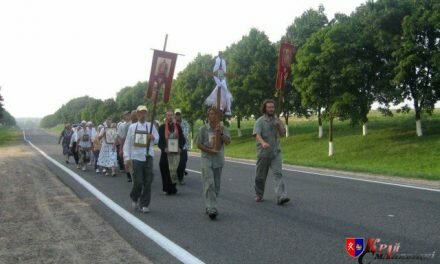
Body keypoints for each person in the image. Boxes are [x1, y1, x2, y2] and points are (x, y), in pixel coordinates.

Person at [253, 99, 290, 205]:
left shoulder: (278, 120)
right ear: (265, 108)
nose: (271, 109)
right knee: (260, 177)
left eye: (272, 107)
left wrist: (278, 125)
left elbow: (283, 134)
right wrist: (263, 143)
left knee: (278, 174)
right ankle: (259, 194)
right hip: (263, 153)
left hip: (275, 153)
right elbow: (257, 135)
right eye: (269, 107)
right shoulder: (260, 121)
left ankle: (281, 196)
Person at [123, 105, 159, 213]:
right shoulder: (132, 127)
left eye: (144, 113)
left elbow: (157, 139)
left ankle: (144, 204)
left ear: (146, 114)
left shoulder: (151, 126)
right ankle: (134, 197)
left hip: (148, 156)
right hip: (136, 157)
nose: (142, 115)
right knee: (138, 181)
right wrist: (127, 158)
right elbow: (127, 144)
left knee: (148, 181)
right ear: (137, 114)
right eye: (140, 113)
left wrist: (152, 137)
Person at [196, 108, 231, 220]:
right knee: (209, 182)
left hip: (218, 159)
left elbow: (228, 142)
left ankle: (209, 204)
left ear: (218, 116)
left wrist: (220, 133)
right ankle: (213, 208)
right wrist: (209, 150)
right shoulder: (203, 129)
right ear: (208, 116)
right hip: (206, 158)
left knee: (216, 185)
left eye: (215, 114)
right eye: (210, 114)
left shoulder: (222, 128)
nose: (213, 116)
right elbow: (199, 144)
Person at [158, 110, 185, 195]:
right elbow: (160, 141)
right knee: (164, 166)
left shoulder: (178, 127)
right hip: (166, 153)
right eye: (168, 115)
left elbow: (182, 139)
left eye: (171, 115)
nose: (170, 117)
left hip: (176, 153)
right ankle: (166, 188)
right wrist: (164, 148)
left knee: (177, 168)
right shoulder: (162, 127)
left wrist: (180, 147)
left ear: (173, 116)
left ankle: (173, 187)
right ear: (166, 116)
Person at [175, 108, 190, 185]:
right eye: (176, 114)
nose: (177, 116)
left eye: (178, 114)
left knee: (183, 162)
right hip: (173, 146)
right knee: (175, 163)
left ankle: (181, 176)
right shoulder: (172, 123)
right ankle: (179, 178)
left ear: (181, 115)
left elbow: (185, 135)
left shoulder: (185, 123)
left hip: (183, 146)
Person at [117, 111, 132, 181]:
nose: (128, 116)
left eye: (129, 115)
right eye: (126, 115)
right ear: (124, 116)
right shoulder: (121, 125)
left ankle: (133, 175)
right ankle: (129, 175)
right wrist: (121, 148)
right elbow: (119, 136)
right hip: (125, 145)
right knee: (126, 161)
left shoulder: (134, 123)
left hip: (133, 145)